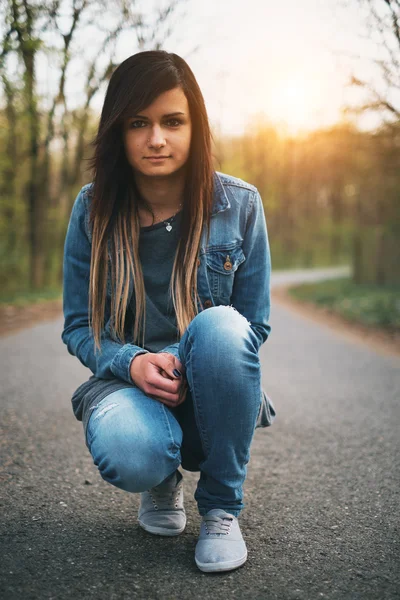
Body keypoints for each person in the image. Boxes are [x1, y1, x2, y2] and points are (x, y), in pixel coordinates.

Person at [61, 50, 276, 573]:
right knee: (131, 450)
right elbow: (78, 326)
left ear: (194, 127)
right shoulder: (92, 210)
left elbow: (255, 325)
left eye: (172, 121)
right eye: (139, 123)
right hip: (126, 385)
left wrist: (179, 358)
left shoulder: (239, 204)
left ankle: (223, 508)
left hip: (210, 386)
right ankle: (160, 479)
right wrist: (134, 362)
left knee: (223, 326)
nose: (156, 139)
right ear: (118, 130)